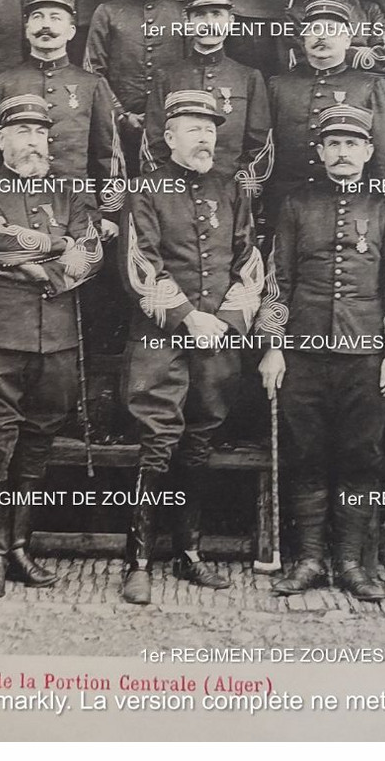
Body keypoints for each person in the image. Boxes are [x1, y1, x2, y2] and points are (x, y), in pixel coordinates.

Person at [258, 103, 385, 598]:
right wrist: (273, 346)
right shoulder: (297, 205)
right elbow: (276, 280)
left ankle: (350, 563)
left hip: (366, 355)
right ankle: (307, 561)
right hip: (302, 352)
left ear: (368, 151)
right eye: (334, 144)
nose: (343, 153)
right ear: (320, 151)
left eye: (352, 144)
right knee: (305, 454)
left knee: (359, 457)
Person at [119, 90, 265, 604]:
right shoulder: (146, 190)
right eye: (192, 127)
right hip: (161, 341)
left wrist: (224, 320)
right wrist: (186, 316)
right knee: (158, 444)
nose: (205, 136)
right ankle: (136, 560)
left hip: (218, 342)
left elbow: (249, 261)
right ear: (169, 136)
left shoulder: (231, 188)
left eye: (210, 128)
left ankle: (190, 553)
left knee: (199, 446)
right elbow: (141, 263)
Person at [0, 94, 103, 599]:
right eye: (21, 132)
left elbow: (94, 252)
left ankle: (20, 546)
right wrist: (59, 248)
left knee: (38, 446)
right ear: (0, 141)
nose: (33, 142)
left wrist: (33, 264)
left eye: (40, 132)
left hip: (57, 338)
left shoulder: (72, 190)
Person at [0, 0, 125, 227]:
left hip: (79, 210)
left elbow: (108, 154)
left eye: (55, 18)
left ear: (71, 31)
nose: (46, 25)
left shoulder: (91, 84)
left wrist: (110, 213)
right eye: (37, 17)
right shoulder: (2, 83)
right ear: (26, 29)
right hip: (16, 211)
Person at [266, 0, 385, 220]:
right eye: (315, 29)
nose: (322, 36)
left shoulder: (369, 85)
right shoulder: (279, 85)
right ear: (302, 39)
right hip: (286, 204)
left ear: (348, 40)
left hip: (350, 208)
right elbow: (266, 149)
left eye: (331, 30)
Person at [143, 0, 272, 192]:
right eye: (200, 15)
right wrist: (166, 192)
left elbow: (260, 145)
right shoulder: (166, 76)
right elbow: (153, 143)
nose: (209, 22)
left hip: (231, 192)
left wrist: (241, 192)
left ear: (230, 21)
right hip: (176, 194)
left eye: (216, 14)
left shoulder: (249, 77)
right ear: (187, 21)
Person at [83, 0, 187, 174]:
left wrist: (165, 116)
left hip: (170, 129)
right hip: (115, 129)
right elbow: (92, 73)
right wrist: (121, 114)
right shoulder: (106, 12)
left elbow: (192, 71)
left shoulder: (183, 14)